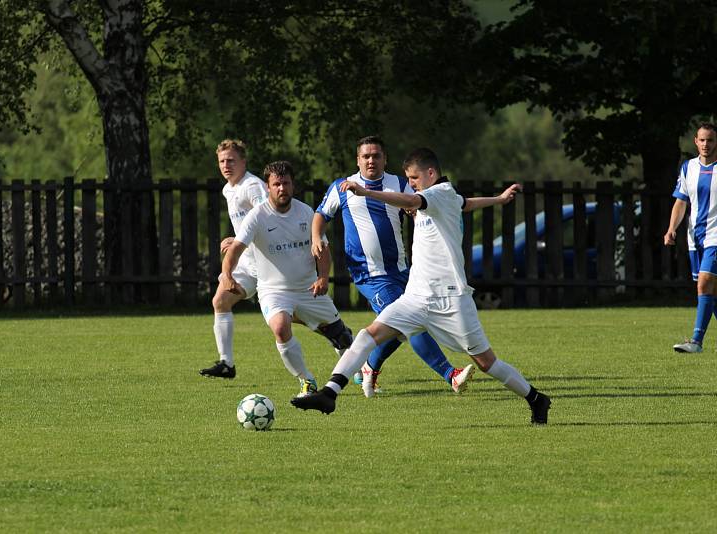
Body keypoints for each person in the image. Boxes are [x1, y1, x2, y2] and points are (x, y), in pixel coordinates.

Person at [292, 148, 551, 425]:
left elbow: (411, 199)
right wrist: (499, 199)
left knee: (487, 363)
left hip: (450, 300)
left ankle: (536, 399)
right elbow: (466, 203)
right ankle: (330, 393)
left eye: (414, 177)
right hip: (415, 297)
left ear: (430, 173)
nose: (412, 182)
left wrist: (366, 193)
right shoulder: (445, 196)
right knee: (368, 335)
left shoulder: (437, 194)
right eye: (409, 178)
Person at [312, 135, 473, 398]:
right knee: (411, 324)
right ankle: (450, 375)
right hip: (369, 274)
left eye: (376, 156)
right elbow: (321, 215)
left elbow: (424, 203)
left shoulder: (399, 184)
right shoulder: (342, 187)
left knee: (396, 329)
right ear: (358, 160)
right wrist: (317, 236)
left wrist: (414, 209)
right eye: (366, 156)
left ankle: (370, 367)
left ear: (385, 159)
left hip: (401, 270)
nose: (371, 160)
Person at [222, 160, 354, 396]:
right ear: (268, 186)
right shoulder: (257, 216)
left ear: (293, 186)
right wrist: (227, 275)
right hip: (273, 291)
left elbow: (322, 249)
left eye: (286, 183)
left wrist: (323, 278)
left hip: (307, 289)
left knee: (343, 339)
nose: (282, 188)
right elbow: (235, 248)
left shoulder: (306, 213)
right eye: (276, 184)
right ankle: (306, 380)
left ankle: (350, 359)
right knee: (281, 327)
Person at [200, 139, 268, 379]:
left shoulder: (252, 186)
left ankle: (342, 341)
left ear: (243, 162)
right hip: (247, 265)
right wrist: (238, 240)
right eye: (221, 161)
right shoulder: (228, 189)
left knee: (296, 318)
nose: (226, 165)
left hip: (269, 265)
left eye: (231, 160)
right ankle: (226, 364)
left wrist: (238, 239)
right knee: (220, 301)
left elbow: (268, 220)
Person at [664, 122, 717, 353]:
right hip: (695, 239)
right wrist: (671, 228)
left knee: (705, 283)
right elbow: (681, 201)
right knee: (711, 293)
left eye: (711, 140)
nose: (706, 144)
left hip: (716, 237)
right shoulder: (688, 168)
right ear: (695, 141)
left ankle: (696, 341)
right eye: (702, 140)